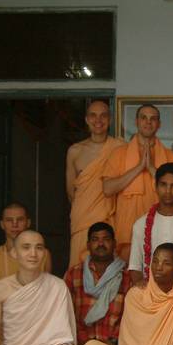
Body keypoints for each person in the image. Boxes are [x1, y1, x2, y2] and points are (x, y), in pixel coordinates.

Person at [102, 104, 173, 260]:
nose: (148, 122)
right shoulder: (119, 154)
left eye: (153, 119)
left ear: (159, 124)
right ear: (136, 122)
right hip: (127, 229)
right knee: (128, 279)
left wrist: (151, 168)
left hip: (162, 226)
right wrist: (138, 168)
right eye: (143, 117)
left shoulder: (171, 157)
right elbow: (108, 189)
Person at [66, 100, 124, 268]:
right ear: (86, 119)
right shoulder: (75, 151)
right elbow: (71, 192)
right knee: (78, 267)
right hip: (82, 218)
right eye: (93, 115)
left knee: (109, 269)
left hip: (109, 218)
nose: (98, 120)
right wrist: (87, 211)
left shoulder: (119, 147)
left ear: (110, 120)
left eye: (103, 115)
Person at [0, 203, 52, 319]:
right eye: (9, 220)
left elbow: (47, 296)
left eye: (20, 220)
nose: (15, 224)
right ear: (2, 224)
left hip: (35, 324)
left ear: (28, 223)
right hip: (3, 328)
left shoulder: (43, 254)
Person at [64, 222, 130, 345]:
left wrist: (113, 342)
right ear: (88, 245)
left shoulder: (126, 276)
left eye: (106, 239)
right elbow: (65, 313)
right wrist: (87, 343)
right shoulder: (73, 274)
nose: (100, 244)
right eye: (95, 239)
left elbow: (130, 317)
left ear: (114, 244)